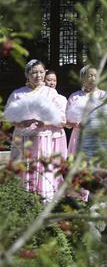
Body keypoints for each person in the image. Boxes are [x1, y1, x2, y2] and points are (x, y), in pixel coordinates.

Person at [4, 60, 68, 200]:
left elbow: (62, 118)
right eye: (34, 72)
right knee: (22, 166)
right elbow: (8, 118)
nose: (38, 75)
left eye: (41, 72)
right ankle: (22, 198)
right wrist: (22, 122)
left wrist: (44, 122)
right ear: (27, 74)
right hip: (22, 138)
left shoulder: (50, 93)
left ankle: (44, 199)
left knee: (42, 167)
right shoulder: (18, 94)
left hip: (43, 138)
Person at [65, 65, 107, 158]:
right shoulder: (75, 96)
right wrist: (76, 124)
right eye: (90, 75)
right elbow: (66, 121)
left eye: (96, 75)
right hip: (78, 135)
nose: (93, 78)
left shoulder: (103, 95)